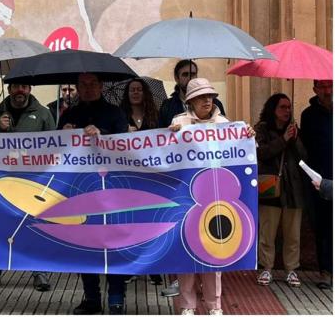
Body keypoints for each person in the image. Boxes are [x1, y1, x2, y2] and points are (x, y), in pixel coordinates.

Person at [168, 78, 255, 315]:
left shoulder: (225, 124)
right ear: (191, 101)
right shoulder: (179, 122)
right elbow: (167, 155)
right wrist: (170, 137)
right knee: (186, 251)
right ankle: (187, 305)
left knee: (214, 251)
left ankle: (214, 305)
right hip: (187, 196)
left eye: (210, 96)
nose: (207, 100)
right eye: (201, 97)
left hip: (217, 196)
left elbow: (241, 150)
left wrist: (247, 135)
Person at [60, 73, 128, 315]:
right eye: (83, 85)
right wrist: (64, 134)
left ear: (101, 86)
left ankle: (116, 297)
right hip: (79, 188)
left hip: (111, 189)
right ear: (77, 87)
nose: (87, 89)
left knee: (114, 243)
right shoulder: (68, 114)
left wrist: (103, 135)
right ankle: (91, 298)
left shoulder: (116, 113)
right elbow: (54, 152)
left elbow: (128, 146)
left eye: (92, 84)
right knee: (83, 244)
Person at [0, 83, 55, 292]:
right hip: (0, 178)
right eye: (16, 87)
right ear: (9, 89)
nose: (20, 91)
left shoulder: (44, 114)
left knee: (34, 224)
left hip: (33, 179)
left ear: (30, 89)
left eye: (24, 87)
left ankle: (39, 270)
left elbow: (55, 145)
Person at [254, 94, 307, 288]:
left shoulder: (294, 129)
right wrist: (283, 140)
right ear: (273, 109)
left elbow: (304, 156)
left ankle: (291, 269)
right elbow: (261, 153)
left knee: (293, 233)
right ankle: (266, 268)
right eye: (282, 107)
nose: (287, 111)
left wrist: (294, 139)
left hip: (293, 189)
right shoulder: (261, 129)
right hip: (270, 187)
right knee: (267, 231)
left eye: (289, 107)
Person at [119, 77, 163, 286]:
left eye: (139, 90)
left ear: (145, 93)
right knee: (130, 223)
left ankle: (152, 267)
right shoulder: (120, 117)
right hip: (128, 176)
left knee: (151, 222)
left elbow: (164, 140)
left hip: (150, 176)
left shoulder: (156, 116)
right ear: (127, 95)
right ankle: (131, 266)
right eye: (132, 90)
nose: (135, 93)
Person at [300, 79, 333, 289]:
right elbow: (306, 149)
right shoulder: (308, 115)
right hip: (320, 181)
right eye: (322, 87)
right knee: (323, 227)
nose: (327, 91)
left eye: (330, 86)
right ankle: (326, 272)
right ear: (314, 90)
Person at [158, 60, 226, 128]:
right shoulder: (167, 106)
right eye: (185, 74)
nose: (189, 78)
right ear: (176, 78)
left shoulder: (216, 103)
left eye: (193, 74)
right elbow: (160, 133)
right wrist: (171, 132)